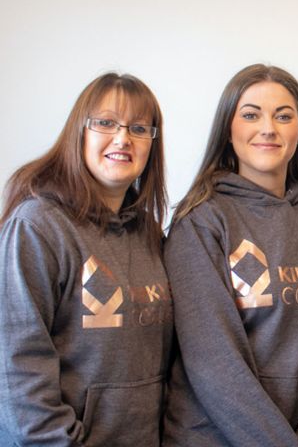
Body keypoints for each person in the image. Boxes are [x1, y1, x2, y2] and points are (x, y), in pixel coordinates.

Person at [162, 64, 298, 447]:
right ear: (228, 129)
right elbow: (215, 364)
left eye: (283, 116)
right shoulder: (201, 223)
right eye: (251, 115)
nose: (268, 128)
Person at [0, 73, 172, 446]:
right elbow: (17, 371)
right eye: (106, 122)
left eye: (139, 128)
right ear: (80, 131)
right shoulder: (37, 227)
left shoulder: (151, 235)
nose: (123, 138)